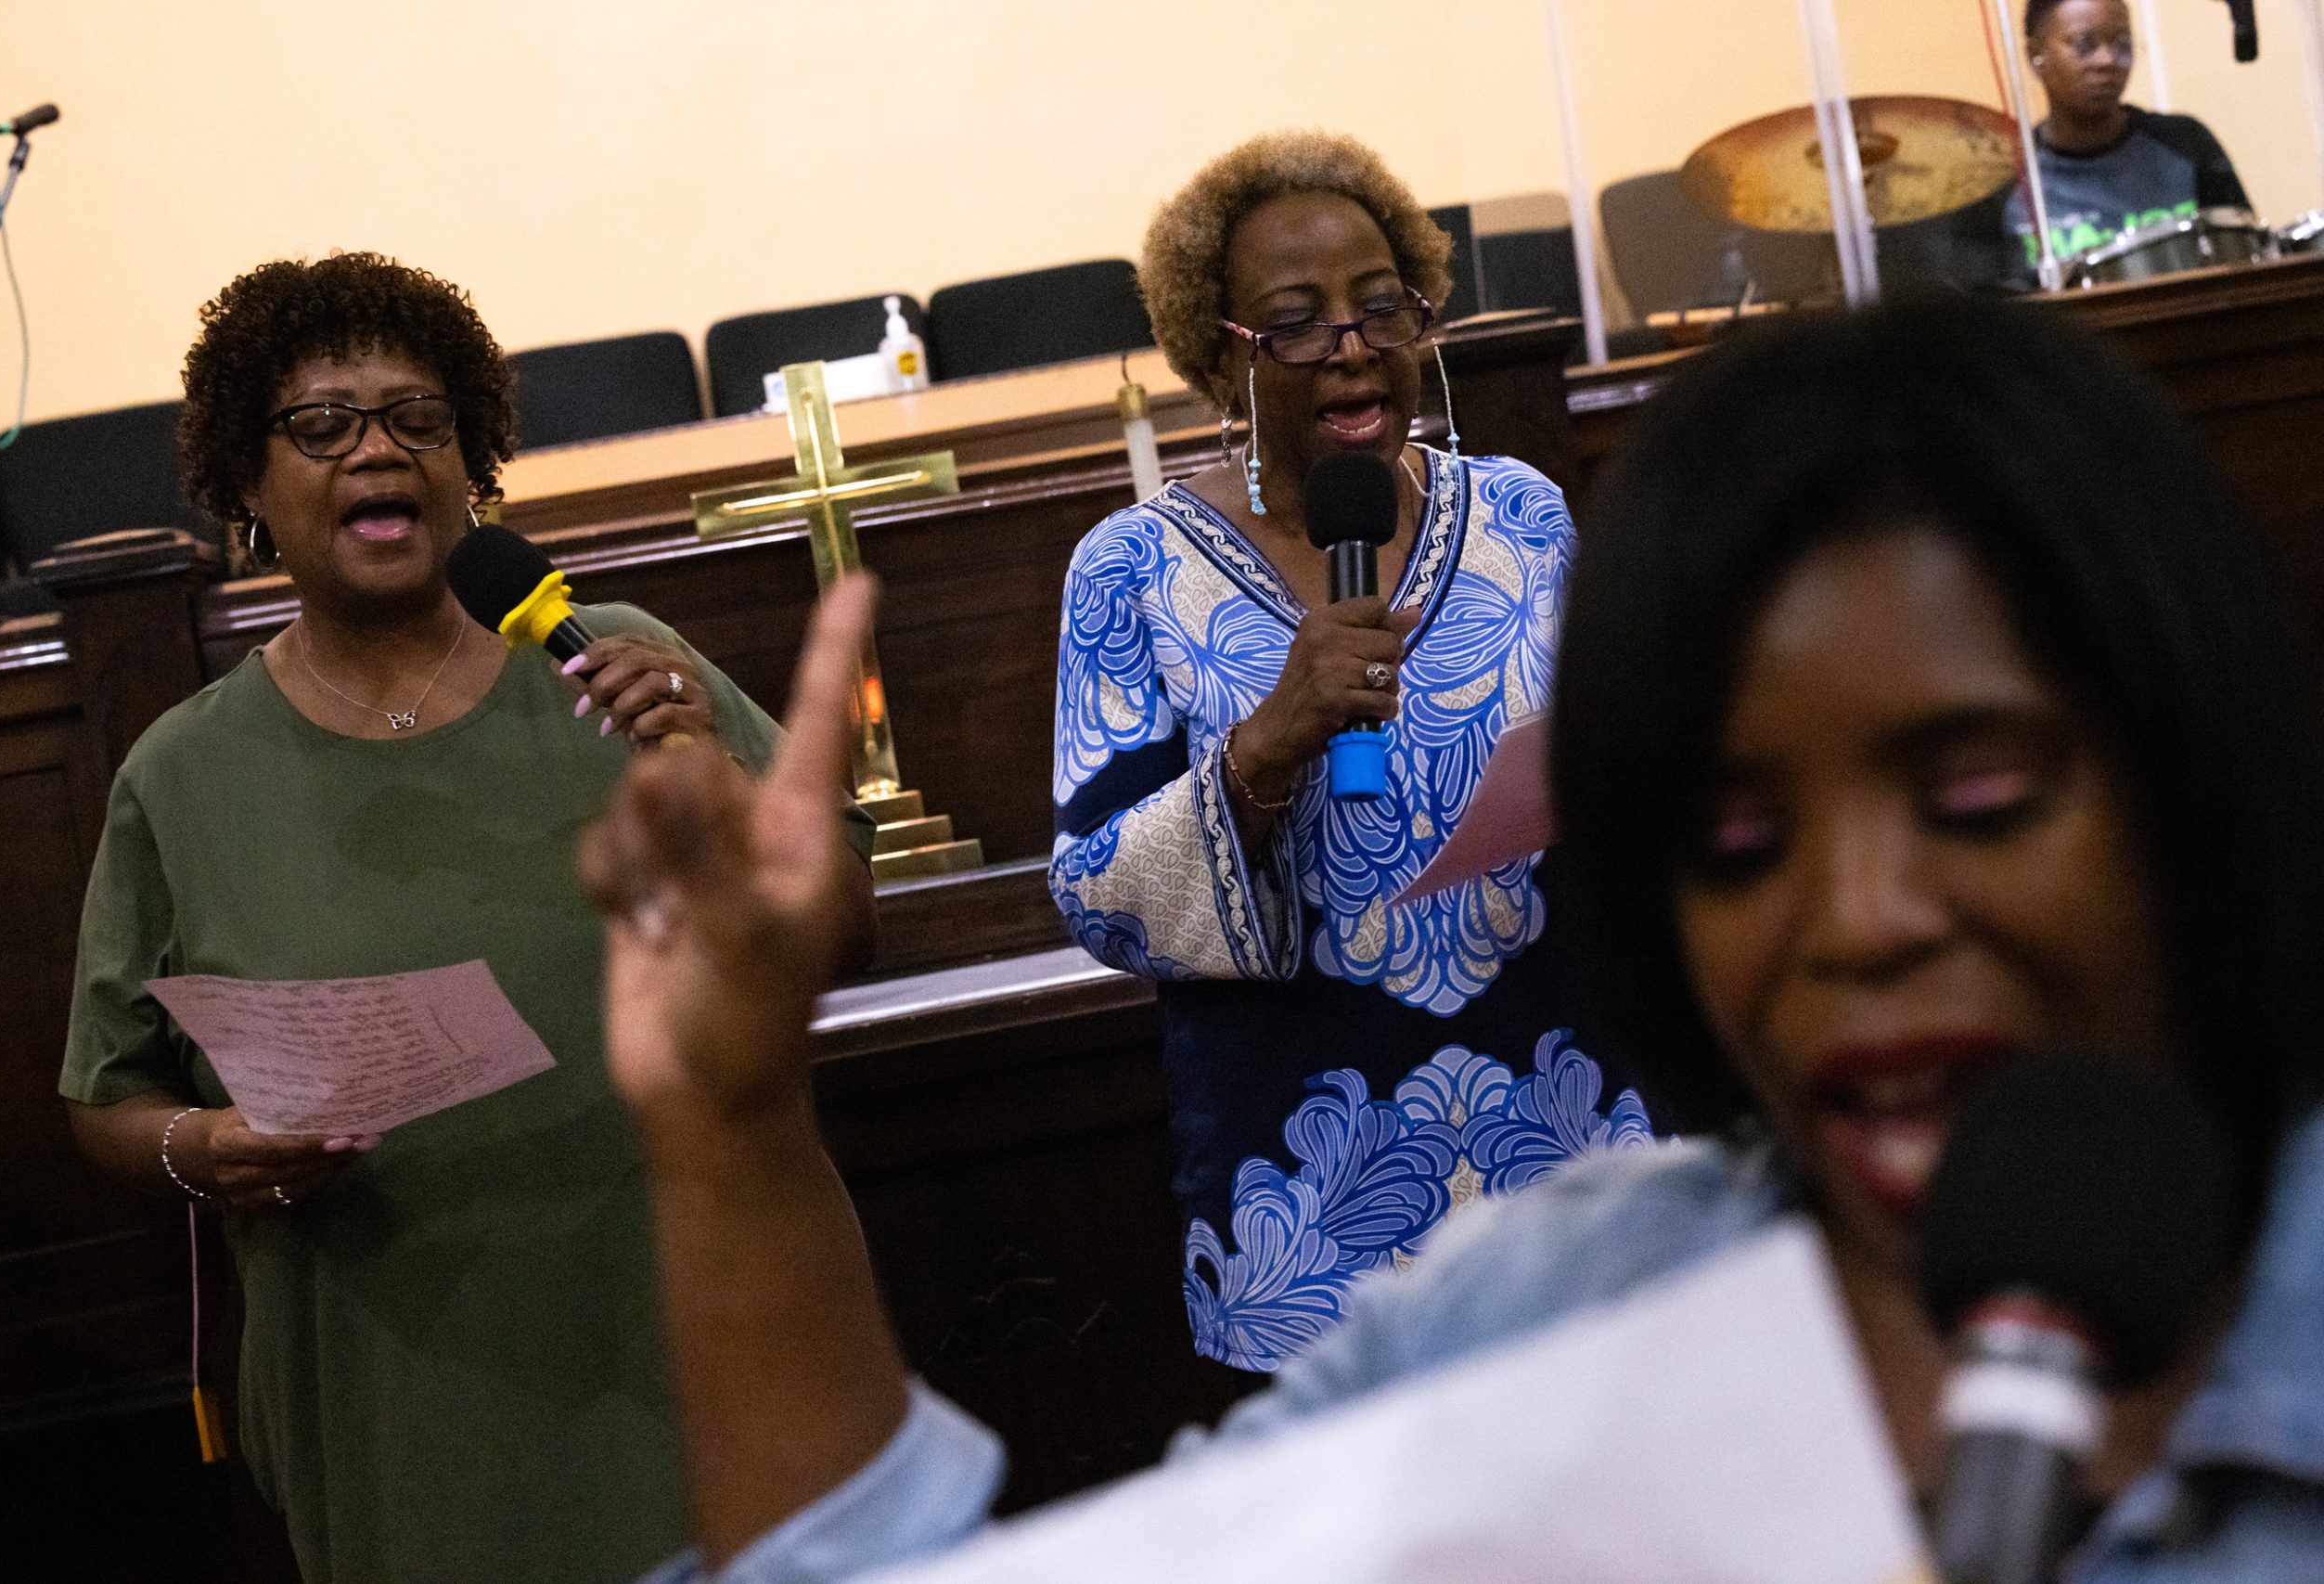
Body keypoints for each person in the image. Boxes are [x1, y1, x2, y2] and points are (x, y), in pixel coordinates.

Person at [594, 293, 2324, 1582]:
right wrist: (731, 1127)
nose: (1856, 923)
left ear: (2190, 771)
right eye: (1737, 837)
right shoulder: (1555, 1315)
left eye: (1980, 795)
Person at [57, 252, 874, 1584]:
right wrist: (201, 1145)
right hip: (397, 1381)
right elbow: (105, 1094)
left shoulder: (614, 666)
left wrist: (722, 792)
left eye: (417, 419)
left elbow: (843, 927)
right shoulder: (183, 772)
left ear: (471, 457)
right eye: (322, 426)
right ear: (247, 487)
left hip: (693, 1315)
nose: (376, 450)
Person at [1048, 130, 1649, 1372]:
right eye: (1297, 321)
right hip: (1313, 1194)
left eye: (1384, 306)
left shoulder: (1524, 512)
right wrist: (1266, 743)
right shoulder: (1132, 568)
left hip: (1570, 1135)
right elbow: (1098, 889)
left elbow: (1620, 750)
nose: (1352, 344)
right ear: (1220, 350)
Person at [2004, 0, 2251, 280]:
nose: (2107, 60)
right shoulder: (2007, 178)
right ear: (2036, 56)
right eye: (2085, 45)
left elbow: (2246, 252)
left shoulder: (2185, 143)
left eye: (2122, 44)